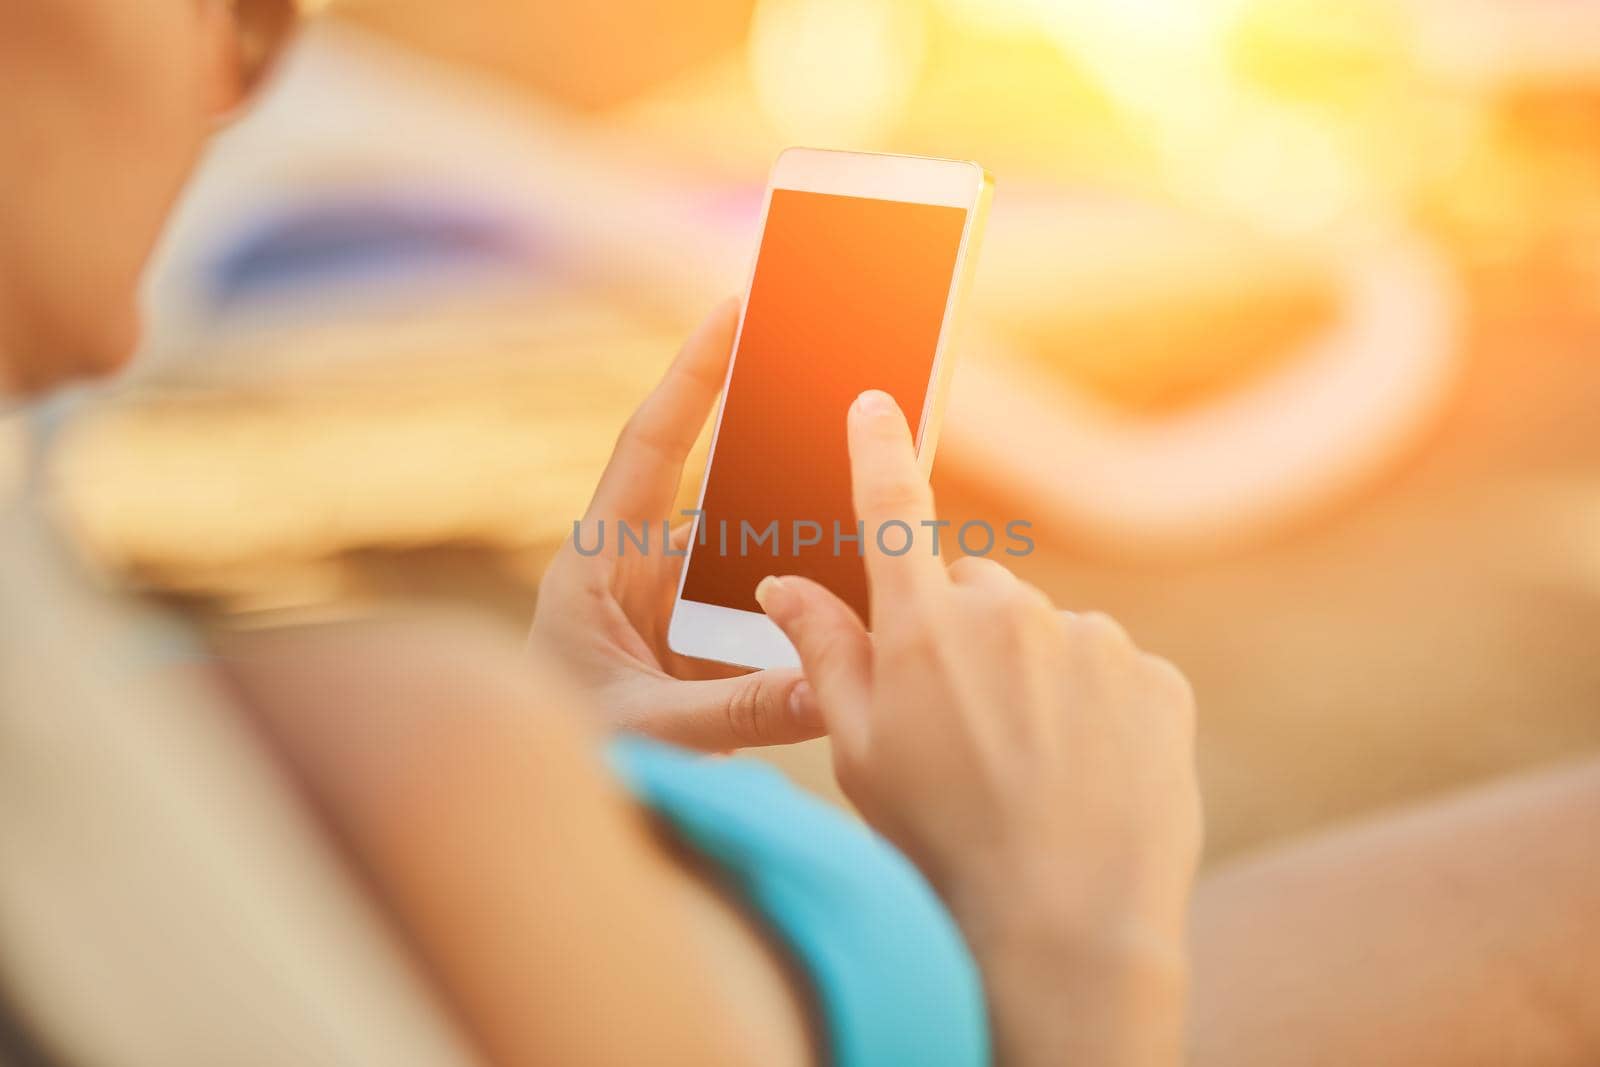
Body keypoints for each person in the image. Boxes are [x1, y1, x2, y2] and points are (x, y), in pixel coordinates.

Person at [1, 4, 1595, 1067]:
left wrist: (585, 773)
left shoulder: (168, 703)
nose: (271, 31)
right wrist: (1083, 945)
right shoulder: (397, 746)